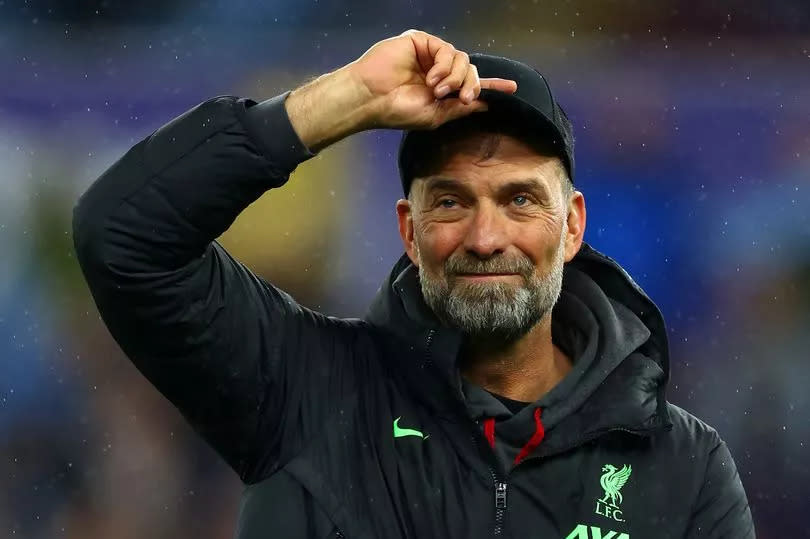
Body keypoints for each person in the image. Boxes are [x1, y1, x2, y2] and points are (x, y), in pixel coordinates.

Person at [72, 29, 755, 538]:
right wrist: (349, 101)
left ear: (572, 225)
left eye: (519, 199)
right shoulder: (305, 388)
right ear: (408, 228)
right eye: (452, 202)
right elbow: (123, 237)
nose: (485, 238)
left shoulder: (684, 467)